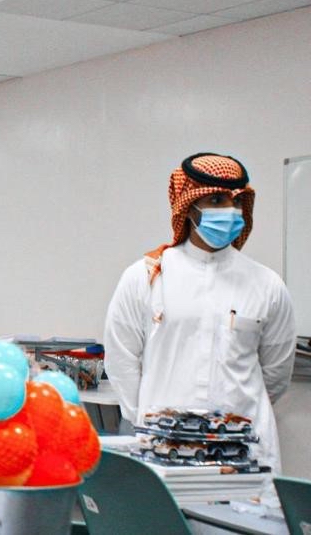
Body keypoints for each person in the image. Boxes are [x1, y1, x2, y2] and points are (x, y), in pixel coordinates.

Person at [104, 152, 296, 472]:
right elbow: (121, 361)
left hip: (245, 452)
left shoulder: (267, 284)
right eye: (217, 200)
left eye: (237, 201)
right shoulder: (145, 277)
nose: (230, 211)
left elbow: (276, 374)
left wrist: (235, 414)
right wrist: (153, 424)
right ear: (189, 206)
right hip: (165, 450)